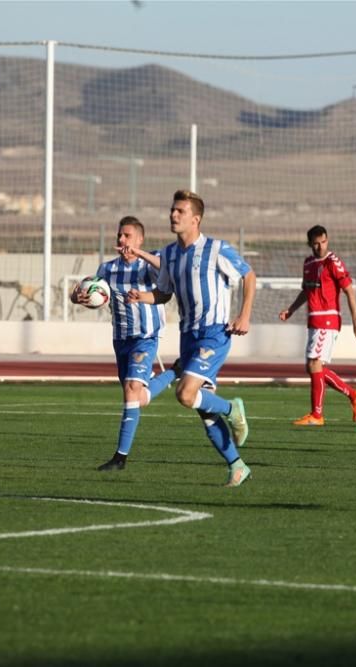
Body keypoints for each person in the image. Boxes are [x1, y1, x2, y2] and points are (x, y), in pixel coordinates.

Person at [127, 190, 254, 487]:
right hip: (188, 335)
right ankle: (237, 466)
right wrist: (142, 297)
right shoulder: (169, 255)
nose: (173, 215)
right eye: (172, 210)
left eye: (180, 211)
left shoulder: (216, 249)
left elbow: (249, 275)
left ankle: (232, 408)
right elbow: (165, 293)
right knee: (201, 408)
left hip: (214, 333)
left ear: (195, 219)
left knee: (185, 394)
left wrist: (244, 315)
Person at [72, 216, 176, 472]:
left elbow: (169, 271)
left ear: (140, 239)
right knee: (138, 398)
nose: (121, 240)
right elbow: (94, 293)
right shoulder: (106, 269)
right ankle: (176, 371)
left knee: (130, 389)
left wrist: (140, 253)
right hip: (121, 339)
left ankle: (120, 457)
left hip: (147, 335)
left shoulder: (150, 262)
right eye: (120, 235)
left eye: (127, 236)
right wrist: (77, 297)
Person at [280, 225, 356, 426]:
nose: (320, 246)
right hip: (314, 320)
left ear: (328, 240)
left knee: (315, 364)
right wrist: (291, 309)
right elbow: (306, 291)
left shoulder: (332, 262)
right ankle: (354, 395)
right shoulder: (308, 263)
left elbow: (349, 291)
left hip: (327, 319)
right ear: (310, 244)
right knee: (313, 367)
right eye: (316, 243)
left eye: (323, 242)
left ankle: (317, 415)